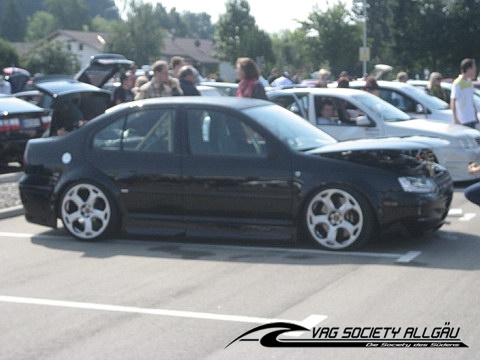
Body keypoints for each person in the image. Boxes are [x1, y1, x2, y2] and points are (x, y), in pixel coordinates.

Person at [451, 58, 479, 129]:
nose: (475, 72)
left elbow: (471, 101)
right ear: (468, 69)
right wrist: (455, 119)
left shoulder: (469, 83)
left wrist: (475, 116)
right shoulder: (457, 83)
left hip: (471, 118)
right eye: (474, 69)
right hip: (462, 120)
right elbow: (453, 101)